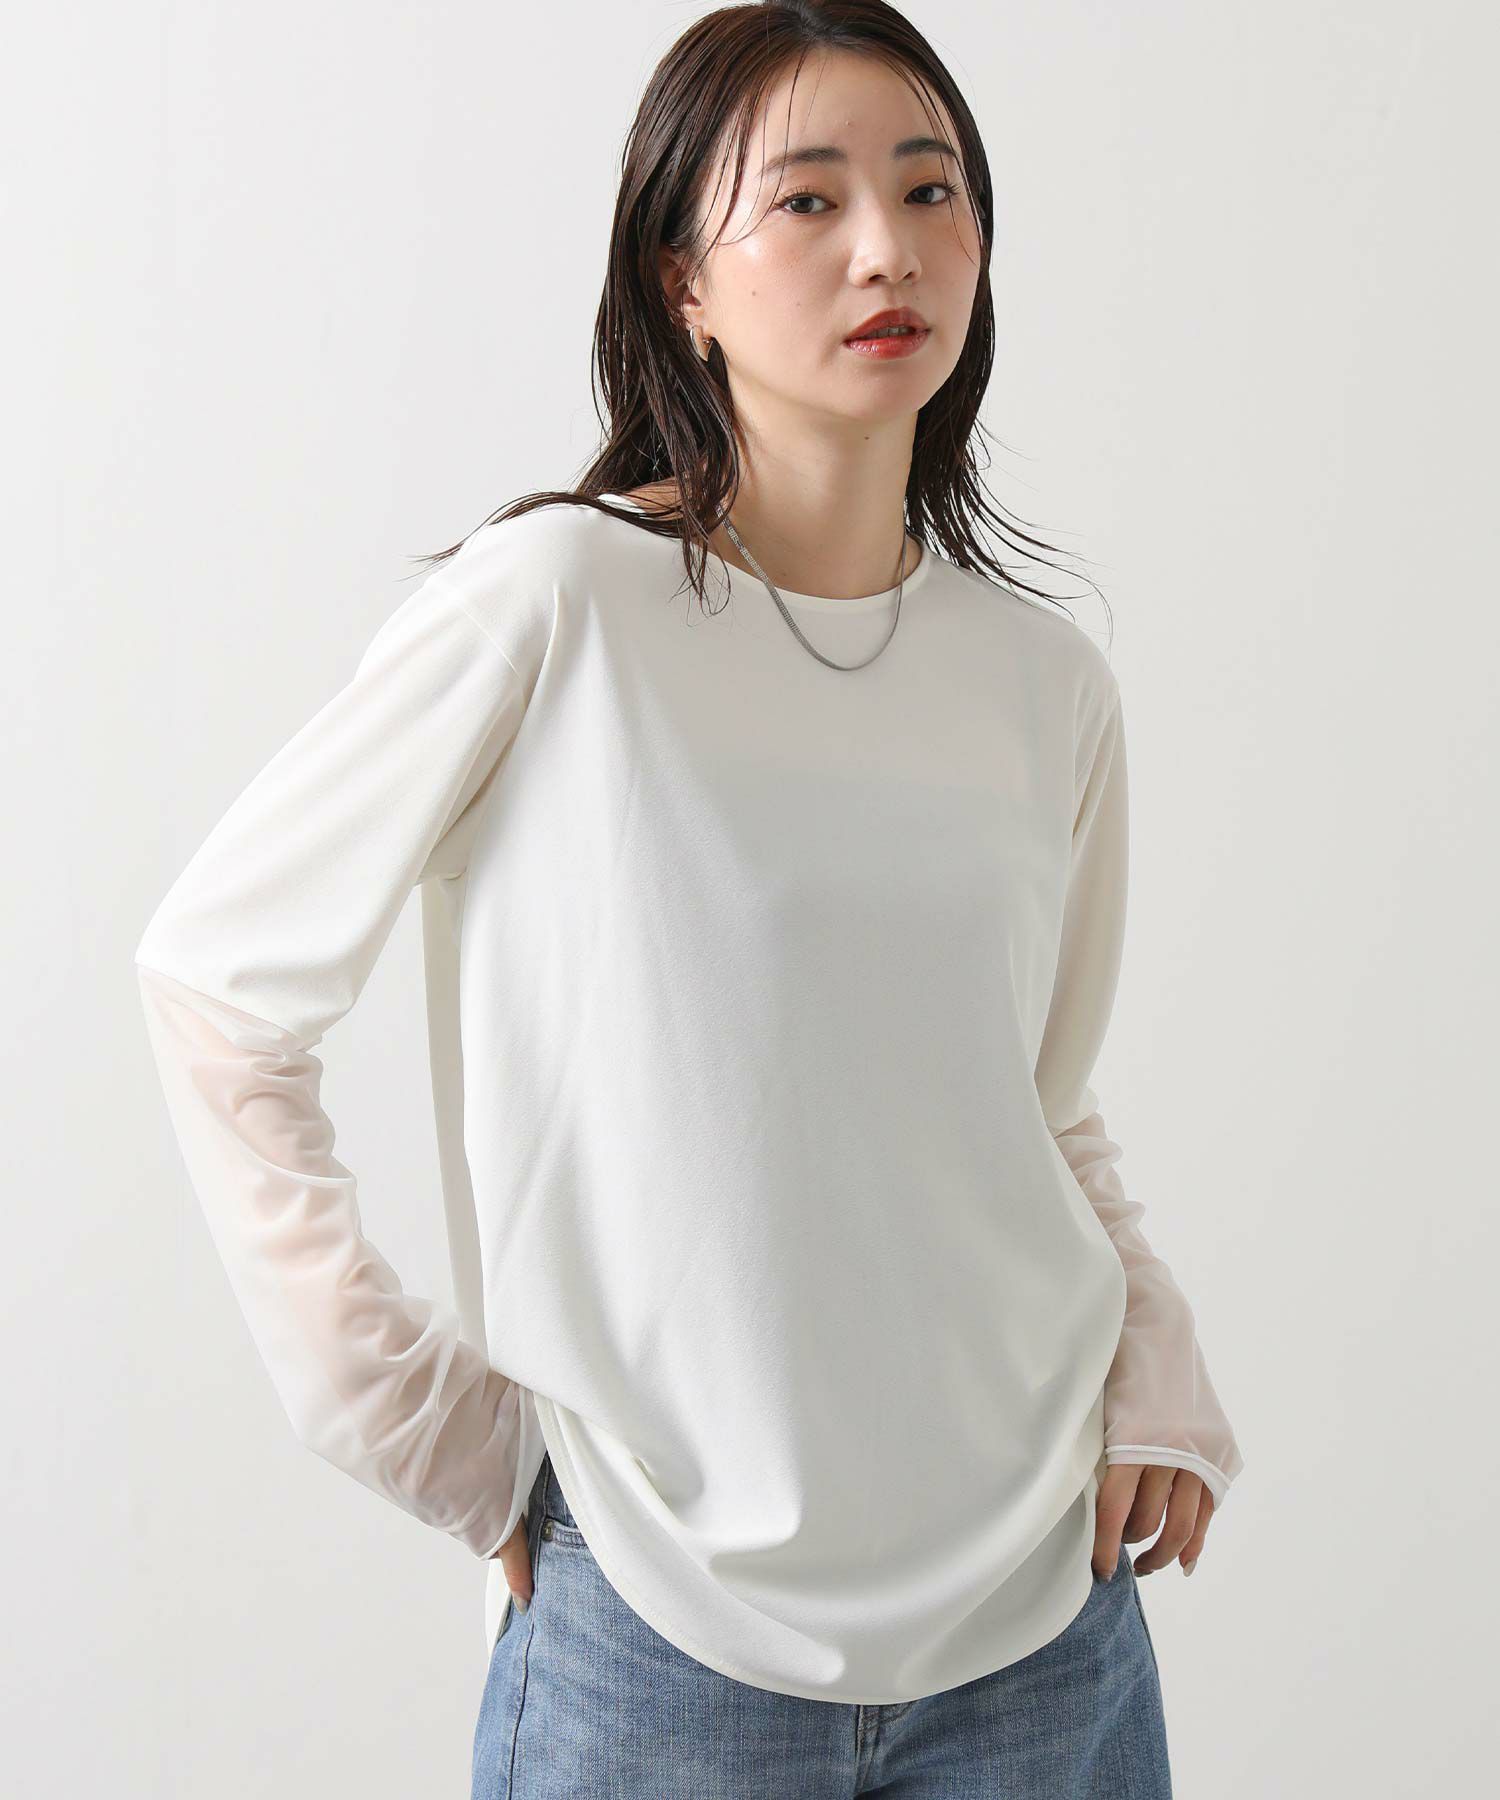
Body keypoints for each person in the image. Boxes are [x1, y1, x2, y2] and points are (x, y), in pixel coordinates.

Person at [134, 3, 1244, 1794]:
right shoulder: (555, 607)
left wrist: (1156, 1359)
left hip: (1046, 1633)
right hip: (657, 1641)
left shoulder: (1046, 686)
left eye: (931, 188)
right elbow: (215, 989)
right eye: (806, 200)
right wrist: (417, 1421)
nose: (887, 248)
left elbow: (1031, 1104)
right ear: (682, 283)